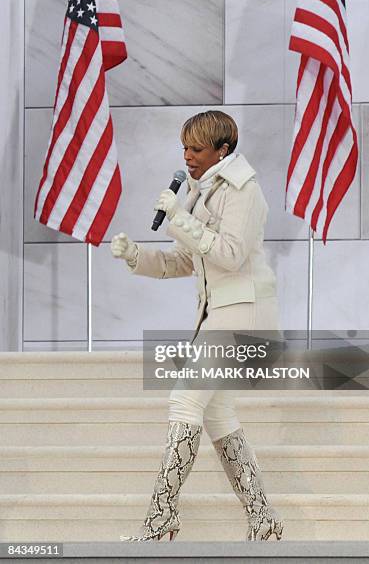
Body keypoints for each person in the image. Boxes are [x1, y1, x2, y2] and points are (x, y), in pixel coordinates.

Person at [111, 110, 284, 542]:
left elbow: (229, 255)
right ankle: (264, 521)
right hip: (217, 313)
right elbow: (188, 261)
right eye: (184, 148)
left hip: (244, 313)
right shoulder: (201, 190)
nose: (187, 156)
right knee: (218, 412)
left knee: (185, 400)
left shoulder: (244, 191)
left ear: (223, 150)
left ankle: (161, 516)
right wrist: (137, 256)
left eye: (197, 149)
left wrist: (180, 219)